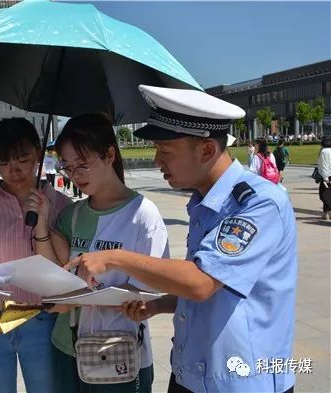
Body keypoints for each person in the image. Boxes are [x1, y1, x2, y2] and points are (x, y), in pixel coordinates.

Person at [67, 85, 297, 393]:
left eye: (166, 151)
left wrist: (113, 257)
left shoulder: (257, 204)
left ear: (205, 150)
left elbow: (201, 283)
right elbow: (222, 291)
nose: (157, 161)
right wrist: (160, 305)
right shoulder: (204, 204)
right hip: (190, 376)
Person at [28, 113, 169, 393]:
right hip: (67, 346)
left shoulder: (142, 215)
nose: (74, 175)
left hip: (119, 351)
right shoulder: (73, 214)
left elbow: (154, 287)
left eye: (82, 165)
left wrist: (93, 298)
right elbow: (55, 272)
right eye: (67, 167)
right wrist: (42, 221)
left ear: (109, 155)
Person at [0, 118, 71, 393]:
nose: (15, 169)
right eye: (4, 162)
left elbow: (69, 275)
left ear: (38, 153)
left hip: (42, 321)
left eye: (23, 159)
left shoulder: (61, 206)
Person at [317, 135, 331, 220]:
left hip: (326, 176)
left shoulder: (323, 151)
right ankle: (327, 212)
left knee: (323, 195)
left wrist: (325, 177)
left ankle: (326, 213)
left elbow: (323, 165)